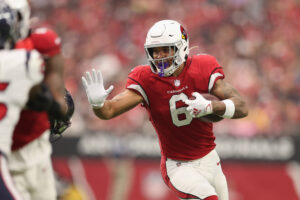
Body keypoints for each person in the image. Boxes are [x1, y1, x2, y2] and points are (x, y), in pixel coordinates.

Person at [82, 20, 248, 200]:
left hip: (210, 160)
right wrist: (98, 104)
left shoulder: (203, 67)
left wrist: (211, 106)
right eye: (155, 51)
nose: (159, 56)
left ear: (181, 47)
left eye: (165, 49)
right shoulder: (145, 78)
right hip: (178, 166)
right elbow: (108, 111)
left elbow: (242, 107)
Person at [4, 0, 74, 199]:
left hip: (36, 146)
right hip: (6, 151)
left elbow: (61, 106)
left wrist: (47, 101)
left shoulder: (41, 42)